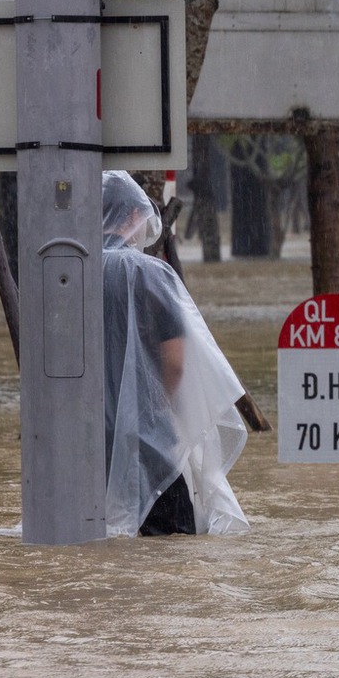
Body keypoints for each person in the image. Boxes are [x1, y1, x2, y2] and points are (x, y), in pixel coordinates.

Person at [101, 171, 250, 537]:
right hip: (147, 438)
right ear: (135, 216)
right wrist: (158, 415)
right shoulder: (150, 275)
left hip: (78, 439)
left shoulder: (63, 274)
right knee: (171, 546)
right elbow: (176, 363)